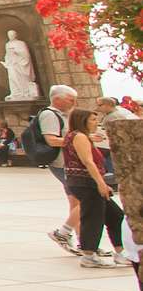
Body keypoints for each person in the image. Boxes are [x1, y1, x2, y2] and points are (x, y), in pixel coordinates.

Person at [64, 106, 126, 269]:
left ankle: (120, 253)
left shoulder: (78, 136)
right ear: (82, 120)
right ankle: (89, 255)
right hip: (87, 183)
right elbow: (88, 162)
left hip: (83, 182)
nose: (96, 122)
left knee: (115, 216)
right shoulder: (80, 137)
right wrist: (101, 183)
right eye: (92, 119)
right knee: (93, 218)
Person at [40, 86, 81, 252]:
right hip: (61, 163)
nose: (74, 103)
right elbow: (51, 140)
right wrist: (80, 140)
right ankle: (63, 232)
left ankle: (84, 242)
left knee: (76, 202)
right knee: (84, 200)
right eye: (70, 99)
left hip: (69, 163)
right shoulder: (49, 114)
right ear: (57, 99)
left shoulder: (64, 115)